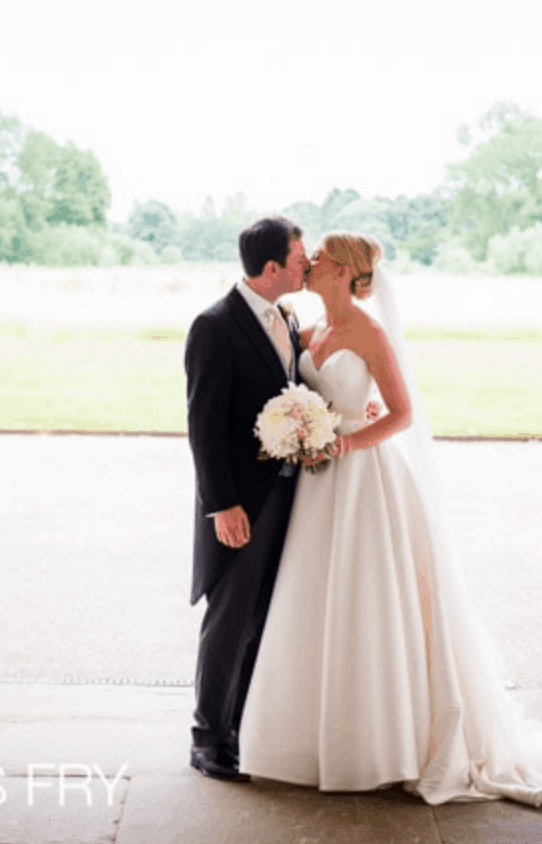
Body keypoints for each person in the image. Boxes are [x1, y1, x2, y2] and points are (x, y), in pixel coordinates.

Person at [238, 232, 542, 808]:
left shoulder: (368, 332)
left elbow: (403, 413)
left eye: (321, 258)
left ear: (344, 271)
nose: (309, 262)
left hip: (362, 480)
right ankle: (311, 740)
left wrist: (345, 443)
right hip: (317, 488)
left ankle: (381, 743)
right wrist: (301, 428)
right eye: (308, 257)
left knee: (368, 599)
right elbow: (300, 390)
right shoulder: (306, 329)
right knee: (317, 597)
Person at [183, 216, 309, 780]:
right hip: (240, 503)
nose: (307, 266)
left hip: (287, 494)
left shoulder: (288, 317)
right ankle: (208, 739)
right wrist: (222, 506)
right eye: (300, 258)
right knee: (230, 618)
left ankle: (241, 728)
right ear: (273, 267)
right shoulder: (214, 326)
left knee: (264, 615)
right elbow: (203, 426)